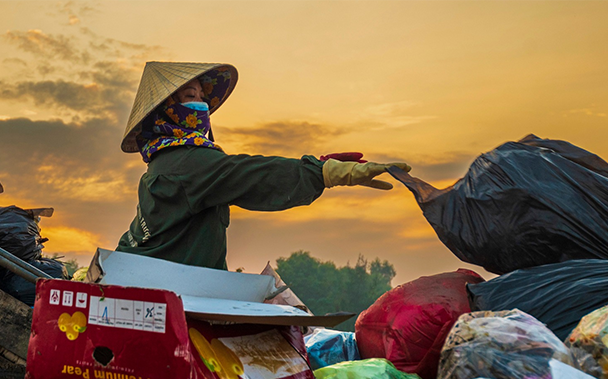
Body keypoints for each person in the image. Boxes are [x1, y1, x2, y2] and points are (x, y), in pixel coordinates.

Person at [117, 62, 410, 270]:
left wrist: (318, 166)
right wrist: (321, 173)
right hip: (170, 291)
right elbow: (251, 175)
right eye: (190, 97)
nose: (201, 106)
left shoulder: (166, 161)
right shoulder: (185, 163)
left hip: (173, 280)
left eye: (203, 98)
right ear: (166, 110)